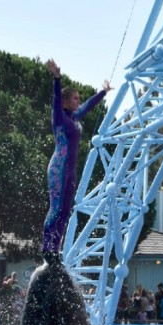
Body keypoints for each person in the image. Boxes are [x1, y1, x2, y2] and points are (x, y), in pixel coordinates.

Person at [42, 59, 111, 260]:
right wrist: (57, 78)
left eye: (78, 98)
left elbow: (87, 107)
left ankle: (55, 249)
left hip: (71, 171)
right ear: (64, 101)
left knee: (65, 211)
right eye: (74, 98)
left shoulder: (74, 117)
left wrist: (103, 92)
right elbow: (55, 99)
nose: (78, 101)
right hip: (58, 168)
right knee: (55, 209)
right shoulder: (59, 116)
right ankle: (46, 247)